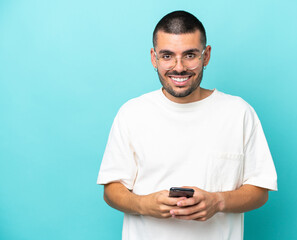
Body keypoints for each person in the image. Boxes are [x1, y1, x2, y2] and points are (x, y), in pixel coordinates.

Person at [97, 10, 277, 240]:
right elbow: (111, 189)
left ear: (206, 55)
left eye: (190, 55)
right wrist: (144, 204)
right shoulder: (132, 113)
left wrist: (218, 201)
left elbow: (260, 190)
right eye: (167, 56)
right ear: (154, 57)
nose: (179, 67)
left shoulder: (238, 112)